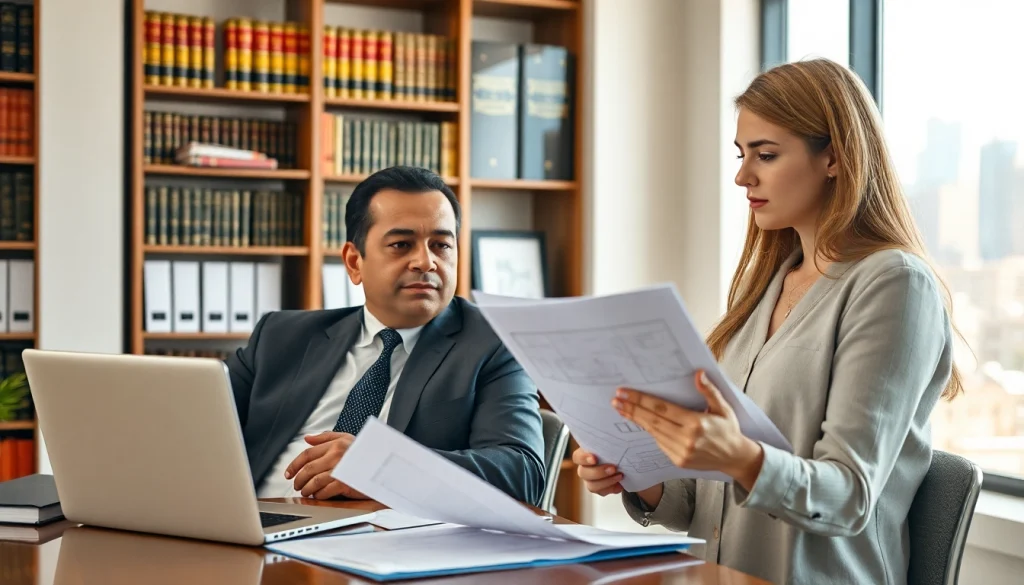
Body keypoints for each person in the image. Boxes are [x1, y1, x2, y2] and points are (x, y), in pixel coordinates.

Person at [573, 58, 962, 585]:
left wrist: (741, 459)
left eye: (767, 154)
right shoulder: (767, 288)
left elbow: (848, 496)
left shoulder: (893, 283)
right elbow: (703, 504)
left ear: (835, 158)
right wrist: (638, 476)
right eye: (741, 154)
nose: (741, 175)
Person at [226, 166, 545, 506]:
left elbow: (521, 474)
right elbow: (197, 433)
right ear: (354, 262)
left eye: (441, 245)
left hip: (385, 544)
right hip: (256, 525)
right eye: (401, 244)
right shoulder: (280, 336)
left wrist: (379, 466)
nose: (426, 262)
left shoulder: (494, 342)